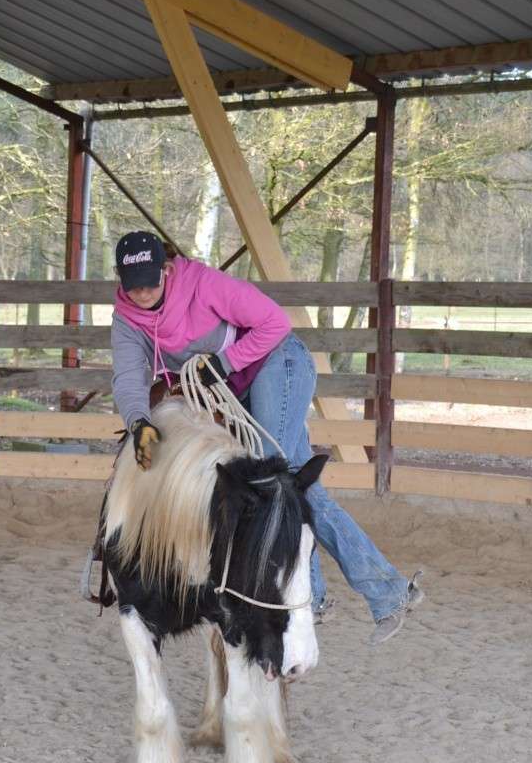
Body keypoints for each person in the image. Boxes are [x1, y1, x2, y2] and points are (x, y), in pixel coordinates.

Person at [110, 230, 424, 644]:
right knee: (301, 490)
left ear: (166, 270)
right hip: (238, 387)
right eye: (134, 287)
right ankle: (386, 592)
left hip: (279, 363)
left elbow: (275, 323)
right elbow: (129, 377)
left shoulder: (203, 285)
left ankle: (316, 598)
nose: (143, 293)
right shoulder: (127, 318)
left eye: (151, 282)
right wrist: (138, 422)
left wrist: (224, 362)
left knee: (269, 482)